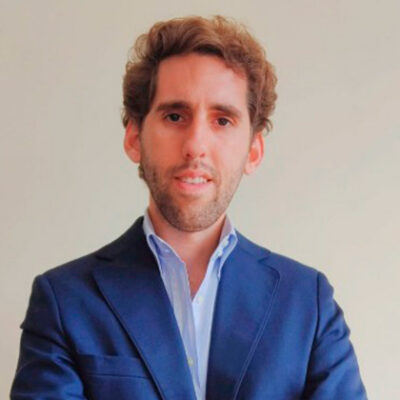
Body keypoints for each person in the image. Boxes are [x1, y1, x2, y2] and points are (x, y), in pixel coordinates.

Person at [10, 15, 367, 400]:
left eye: (222, 120)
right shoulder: (65, 301)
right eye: (175, 116)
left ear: (254, 150)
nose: (196, 144)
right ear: (134, 138)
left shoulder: (308, 304)